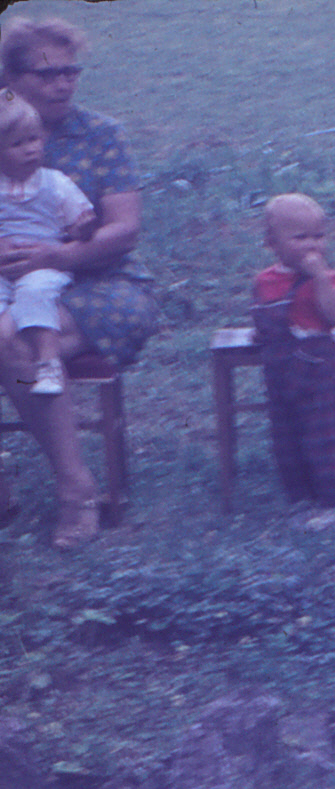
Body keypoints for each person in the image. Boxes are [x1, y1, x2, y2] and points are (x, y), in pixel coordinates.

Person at [0, 16, 160, 550]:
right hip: (11, 284)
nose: (63, 84)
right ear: (10, 78)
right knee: (10, 338)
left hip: (101, 283)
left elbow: (124, 229)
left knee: (16, 342)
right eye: (47, 74)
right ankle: (65, 485)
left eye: (71, 72)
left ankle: (75, 493)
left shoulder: (100, 135)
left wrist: (58, 254)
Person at [253, 194, 335, 515]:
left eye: (319, 236)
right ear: (272, 243)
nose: (312, 245)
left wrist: (320, 277)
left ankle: (332, 502)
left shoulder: (331, 279)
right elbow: (263, 319)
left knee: (324, 435)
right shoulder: (265, 281)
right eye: (300, 237)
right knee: (286, 435)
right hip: (281, 371)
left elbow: (334, 316)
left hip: (321, 371)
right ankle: (299, 497)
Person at [0, 94, 94, 398]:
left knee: (35, 293)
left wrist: (82, 226)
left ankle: (48, 363)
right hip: (3, 268)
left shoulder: (55, 182)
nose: (30, 149)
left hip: (44, 264)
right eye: (17, 144)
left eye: (34, 139)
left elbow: (77, 222)